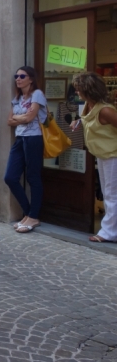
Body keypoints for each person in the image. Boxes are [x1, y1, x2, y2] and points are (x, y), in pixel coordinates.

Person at [72, 72, 117, 243]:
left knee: (112, 195)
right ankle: (111, 229)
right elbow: (87, 119)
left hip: (113, 155)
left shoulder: (105, 110)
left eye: (78, 90)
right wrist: (78, 122)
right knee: (108, 194)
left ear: (88, 90)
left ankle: (109, 233)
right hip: (103, 155)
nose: (77, 92)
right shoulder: (89, 106)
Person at [5, 66, 47, 234]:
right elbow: (9, 120)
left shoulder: (37, 94)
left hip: (34, 138)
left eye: (22, 76)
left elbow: (31, 117)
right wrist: (21, 118)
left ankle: (33, 216)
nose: (18, 78)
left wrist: (19, 118)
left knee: (33, 177)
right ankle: (29, 213)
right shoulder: (17, 98)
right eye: (16, 76)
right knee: (10, 177)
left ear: (31, 78)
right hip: (20, 139)